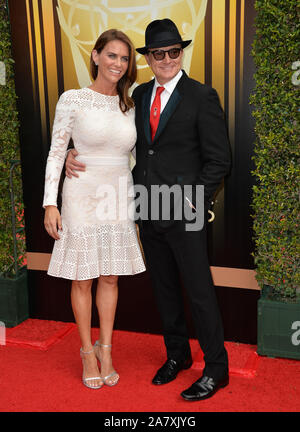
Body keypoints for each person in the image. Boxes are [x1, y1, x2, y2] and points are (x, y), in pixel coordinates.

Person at [66, 19, 231, 401]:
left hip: (185, 209)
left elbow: (219, 161)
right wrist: (77, 151)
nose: (167, 59)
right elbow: (110, 136)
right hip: (147, 207)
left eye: (174, 52)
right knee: (165, 289)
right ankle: (177, 356)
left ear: (181, 53)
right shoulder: (138, 95)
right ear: (149, 58)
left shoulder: (201, 96)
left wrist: (195, 200)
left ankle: (216, 369)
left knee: (199, 291)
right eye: (159, 53)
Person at [43, 29, 145, 390]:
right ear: (96, 56)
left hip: (118, 195)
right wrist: (50, 203)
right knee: (83, 277)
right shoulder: (73, 99)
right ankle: (87, 351)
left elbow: (132, 154)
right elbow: (57, 151)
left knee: (111, 276)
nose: (118, 63)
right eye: (112, 55)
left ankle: (107, 349)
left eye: (124, 58)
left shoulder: (129, 104)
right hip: (82, 195)